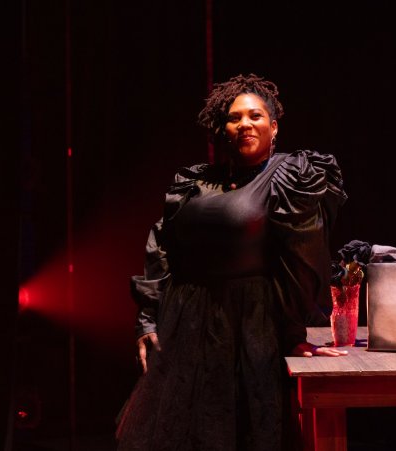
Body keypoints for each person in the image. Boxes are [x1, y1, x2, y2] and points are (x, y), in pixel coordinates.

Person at [117, 74, 348, 451]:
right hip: (186, 326)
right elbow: (162, 246)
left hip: (251, 329)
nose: (245, 124)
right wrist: (147, 318)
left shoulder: (288, 176)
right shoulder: (194, 182)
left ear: (274, 127)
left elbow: (302, 260)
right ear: (221, 129)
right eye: (234, 118)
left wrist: (293, 333)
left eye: (255, 116)